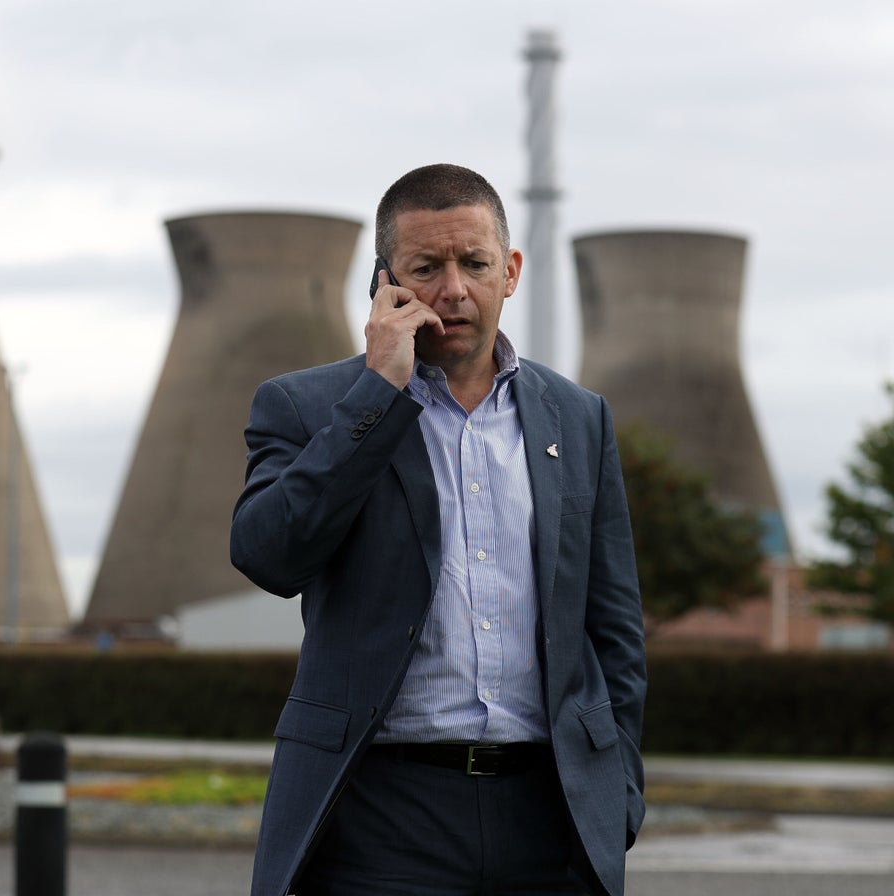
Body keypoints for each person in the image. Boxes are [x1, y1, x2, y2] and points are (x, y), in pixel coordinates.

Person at [230, 163, 646, 896]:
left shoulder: (579, 418)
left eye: (475, 264)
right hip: (380, 818)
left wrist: (618, 792)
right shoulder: (304, 405)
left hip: (549, 818)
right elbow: (270, 556)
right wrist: (377, 394)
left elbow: (613, 626)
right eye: (427, 267)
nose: (454, 289)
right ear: (385, 282)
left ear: (510, 271)